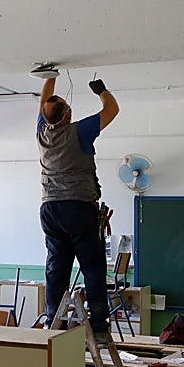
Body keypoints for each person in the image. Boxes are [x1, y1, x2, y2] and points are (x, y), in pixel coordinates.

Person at [33, 66, 118, 332]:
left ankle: (52, 319)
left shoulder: (42, 133)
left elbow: (43, 103)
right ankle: (99, 321)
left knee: (56, 266)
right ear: (68, 114)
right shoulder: (80, 131)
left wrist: (51, 75)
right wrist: (101, 91)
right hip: (77, 207)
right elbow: (111, 110)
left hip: (49, 208)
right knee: (92, 264)